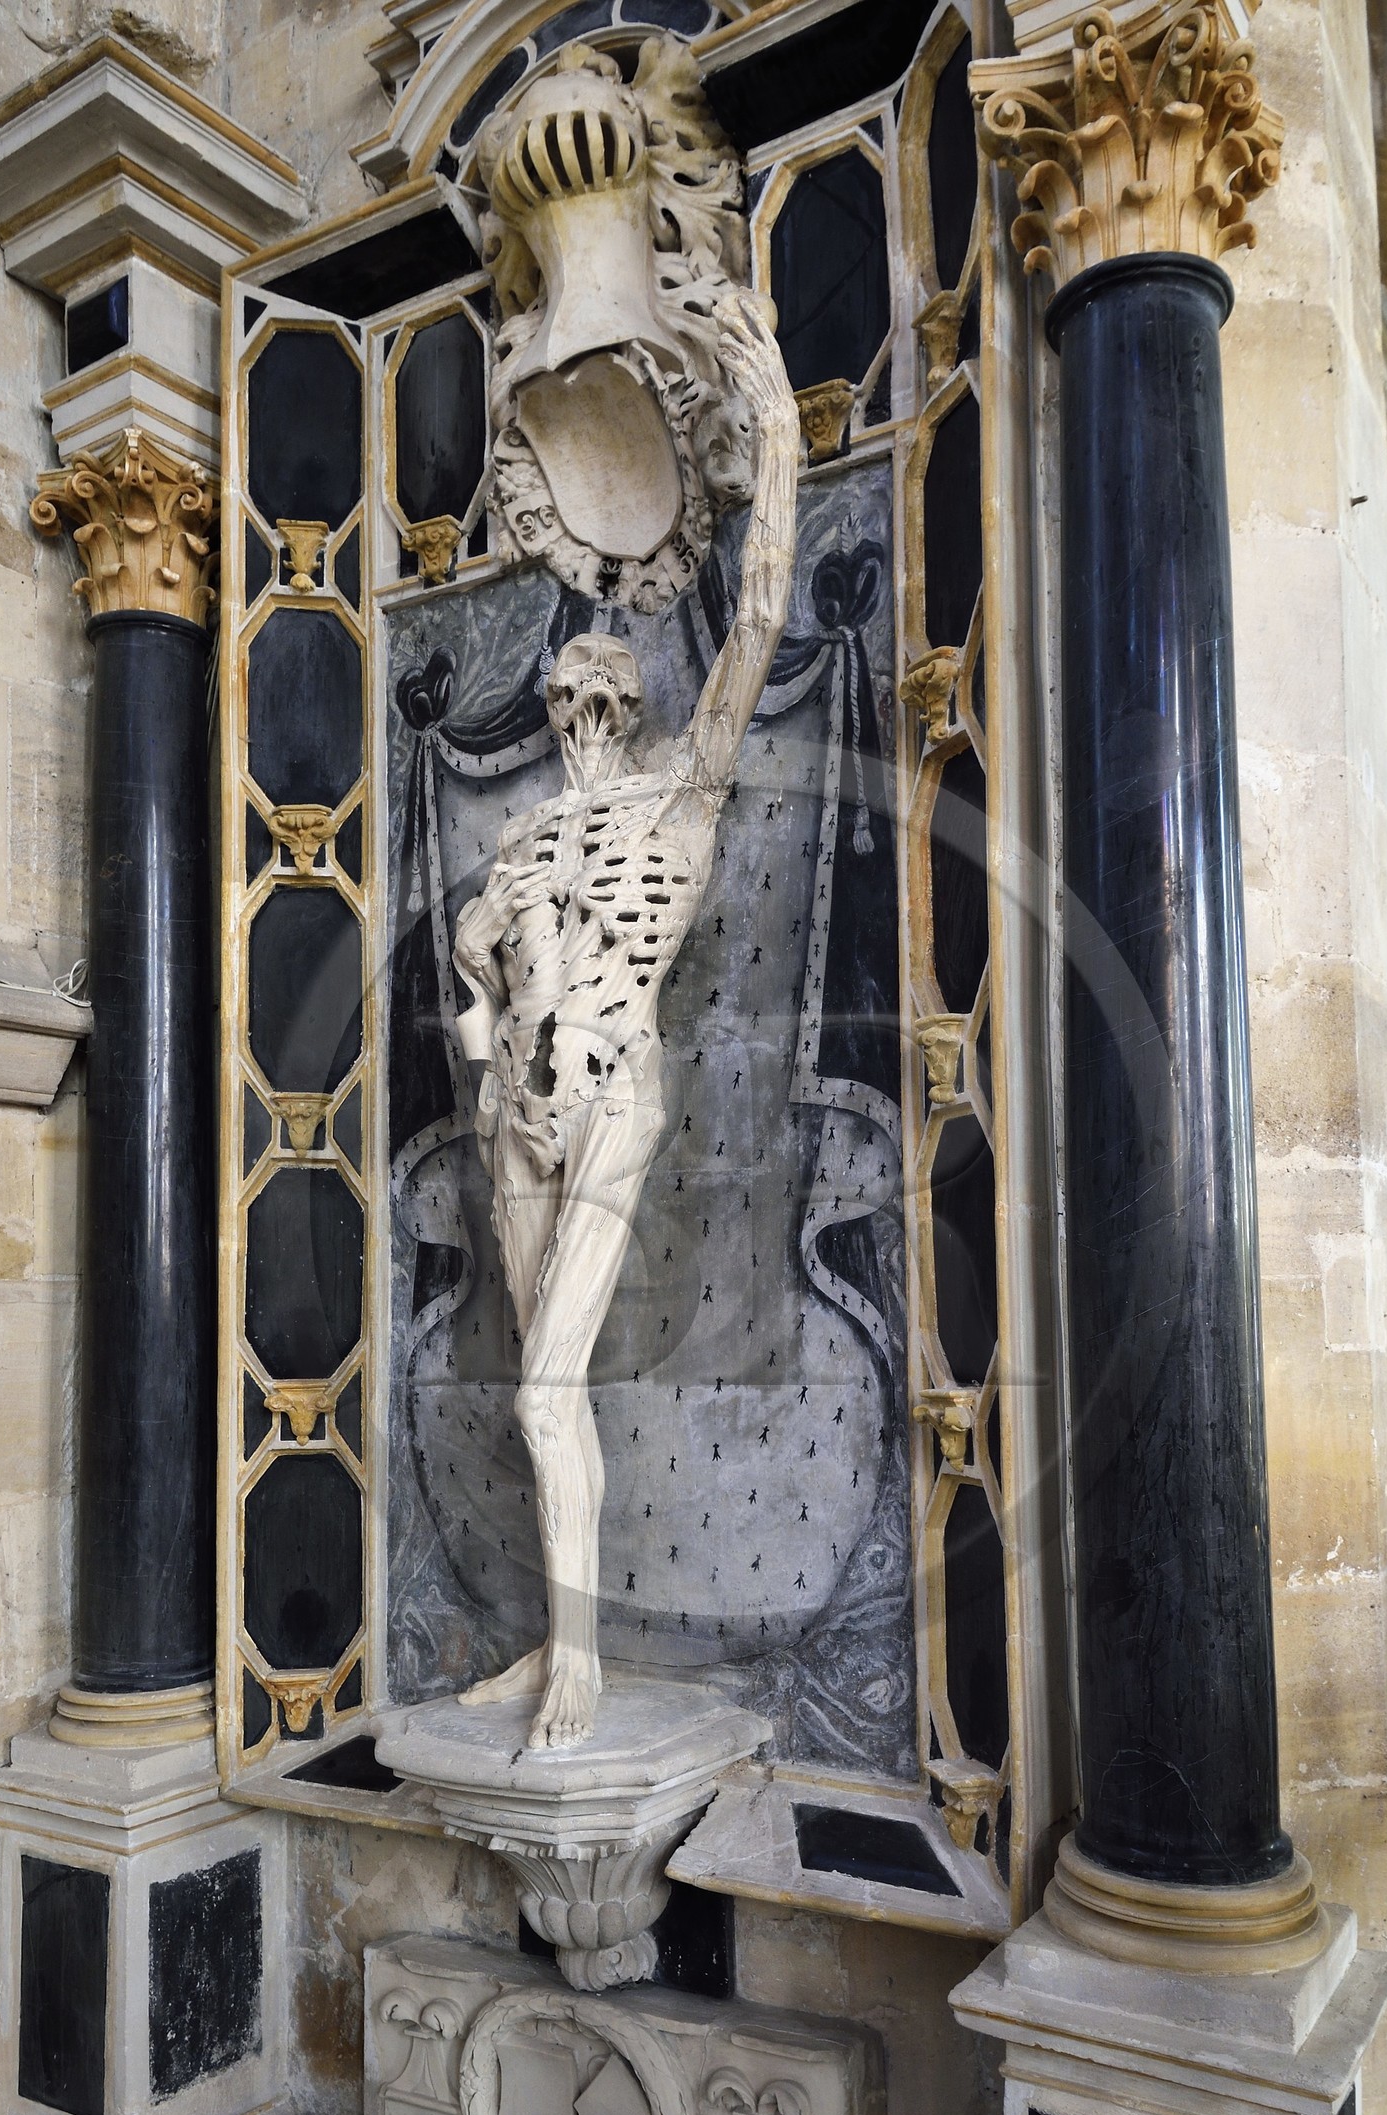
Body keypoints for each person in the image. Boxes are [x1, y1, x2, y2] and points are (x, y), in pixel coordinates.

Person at [449, 290, 798, 1747]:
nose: (589, 703)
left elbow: (761, 620)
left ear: (633, 702)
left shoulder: (680, 801)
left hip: (613, 1093)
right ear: (549, 709)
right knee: (548, 1398)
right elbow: (472, 1006)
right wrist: (482, 1016)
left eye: (609, 687)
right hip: (514, 1114)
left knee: (540, 1395)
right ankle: (558, 1640)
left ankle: (579, 1662)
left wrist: (772, 427)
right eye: (570, 691)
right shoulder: (516, 853)